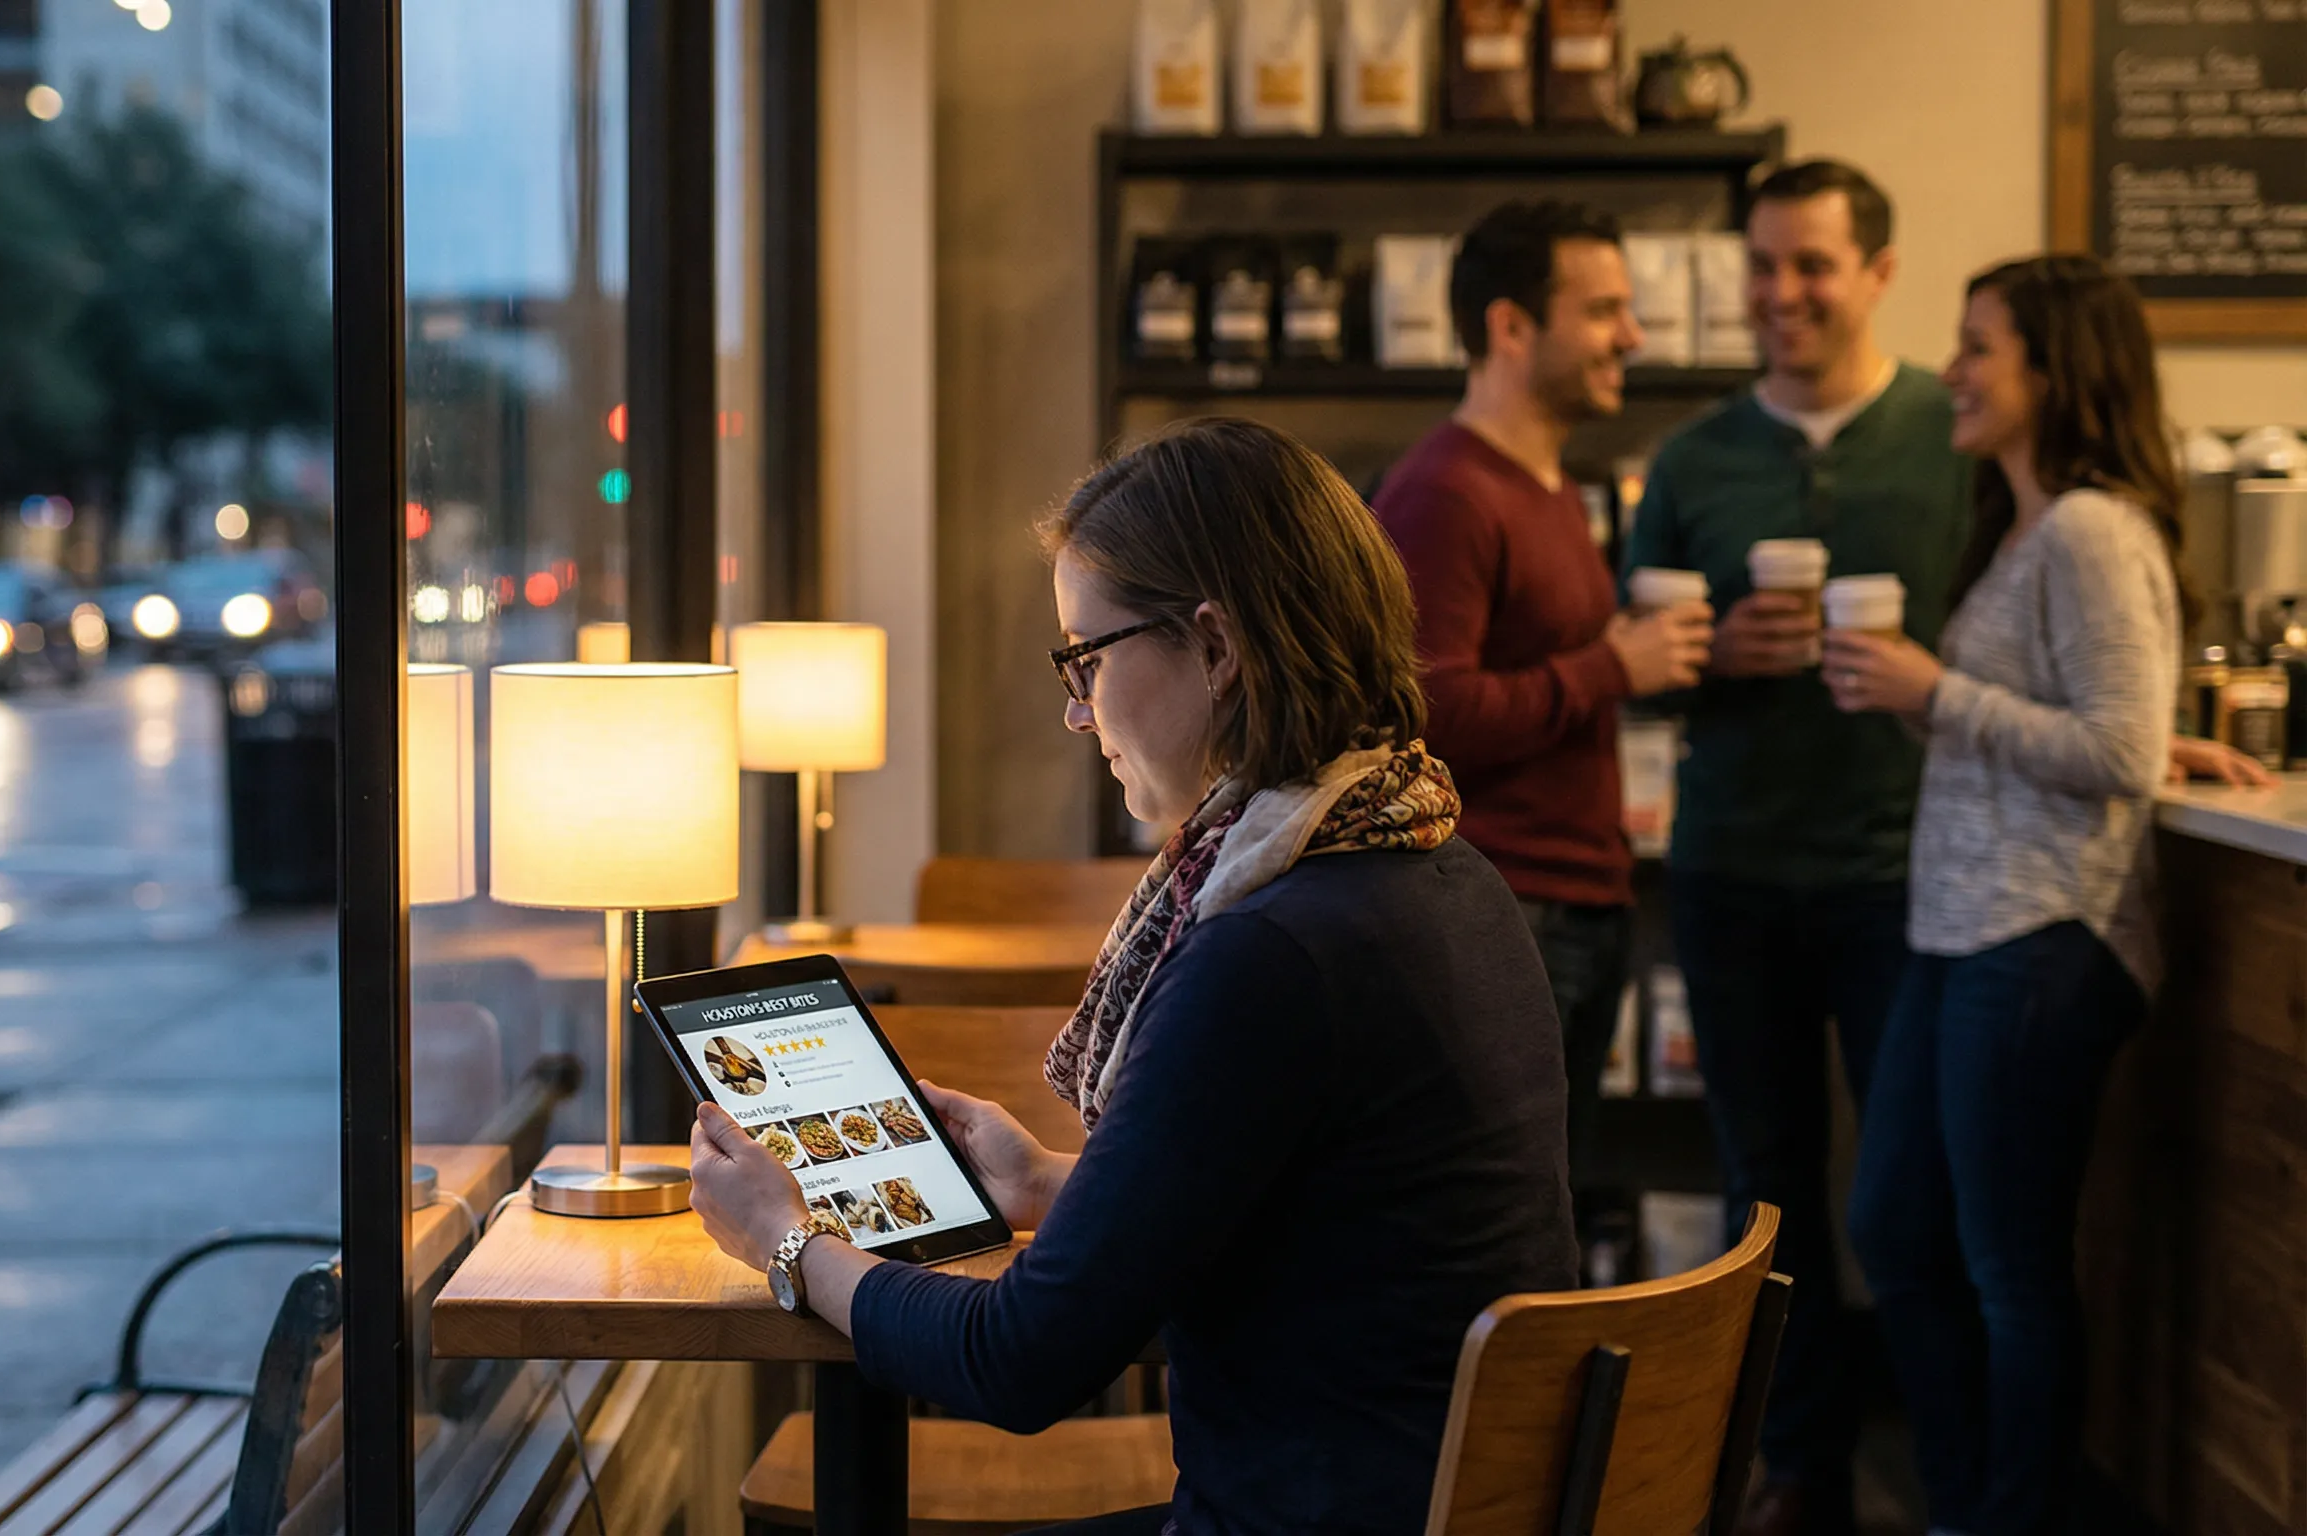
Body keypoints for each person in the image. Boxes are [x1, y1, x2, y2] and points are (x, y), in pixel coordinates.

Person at [688, 417, 1579, 1534]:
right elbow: (1333, 1234)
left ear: (1214, 649)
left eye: (1086, 657)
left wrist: (784, 1242)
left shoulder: (1272, 951)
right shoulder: (1437, 871)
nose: (1076, 709)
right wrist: (1051, 1187)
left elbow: (1017, 1364)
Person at [1623, 160, 2264, 1536]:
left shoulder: (2032, 495)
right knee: (1853, 1214)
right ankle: (1865, 1480)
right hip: (1849, 896)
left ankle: (1986, 1505)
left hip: (1984, 920)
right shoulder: (1744, 467)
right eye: (1764, 263)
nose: (1783, 292)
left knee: (1979, 1252)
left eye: (1983, 348)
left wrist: (1991, 707)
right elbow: (2077, 715)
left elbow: (2079, 713)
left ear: (1878, 274)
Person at [1833, 256, 2185, 1536]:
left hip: (2044, 934)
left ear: (2057, 368)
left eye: (1978, 347)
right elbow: (2101, 730)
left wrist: (1929, 693)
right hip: (1962, 931)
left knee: (2005, 1271)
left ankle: (2006, 1516)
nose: (1950, 373)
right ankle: (1971, 1502)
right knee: (1898, 1231)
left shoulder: (2091, 529)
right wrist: (1925, 700)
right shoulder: (2026, 527)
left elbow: (2118, 757)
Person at [1371, 199, 1711, 1194]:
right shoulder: (1447, 493)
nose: (1634, 337)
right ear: (1512, 327)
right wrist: (1614, 669)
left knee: (1552, 1200)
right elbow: (1423, 721)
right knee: (1508, 1216)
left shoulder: (1546, 484)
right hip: (1510, 910)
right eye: (1604, 310)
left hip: (1571, 906)